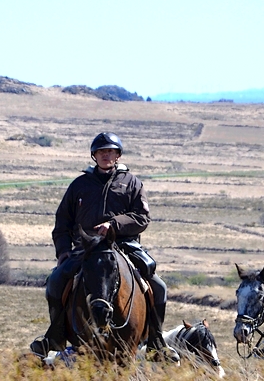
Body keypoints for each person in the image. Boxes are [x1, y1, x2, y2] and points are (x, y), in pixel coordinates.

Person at [30, 132, 173, 360]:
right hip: (86, 247)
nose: (106, 155)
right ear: (94, 155)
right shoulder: (79, 185)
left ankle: (156, 341)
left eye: (111, 151)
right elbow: (62, 223)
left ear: (118, 155)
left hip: (123, 245)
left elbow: (142, 218)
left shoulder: (131, 183)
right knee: (56, 281)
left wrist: (114, 224)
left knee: (159, 287)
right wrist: (64, 251)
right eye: (102, 151)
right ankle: (54, 336)